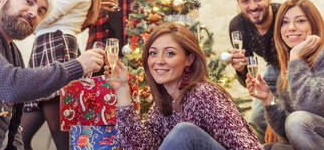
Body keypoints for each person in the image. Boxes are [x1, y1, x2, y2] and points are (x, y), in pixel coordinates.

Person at [0, 0, 104, 150]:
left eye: (41, 11)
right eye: (29, 1)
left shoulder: (14, 54)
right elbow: (10, 84)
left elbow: (13, 128)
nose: (33, 13)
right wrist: (78, 65)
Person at [105, 22, 262, 150]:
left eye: (170, 53)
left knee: (185, 132)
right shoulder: (164, 104)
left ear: (189, 59)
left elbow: (248, 146)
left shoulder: (204, 94)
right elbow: (138, 147)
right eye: (153, 53)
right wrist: (122, 89)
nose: (159, 61)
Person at [20, 0, 101, 150]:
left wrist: (32, 5)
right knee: (19, 137)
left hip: (57, 48)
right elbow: (39, 18)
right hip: (46, 48)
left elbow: (44, 16)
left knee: (61, 136)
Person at [246, 0, 324, 150]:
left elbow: (312, 107)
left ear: (314, 25)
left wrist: (295, 59)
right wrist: (268, 99)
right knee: (269, 148)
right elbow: (288, 131)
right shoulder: (291, 68)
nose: (290, 27)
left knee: (297, 120)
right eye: (284, 22)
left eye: (300, 21)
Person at [229, 0, 281, 142]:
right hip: (273, 69)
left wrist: (274, 116)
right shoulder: (237, 26)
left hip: (295, 68)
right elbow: (250, 81)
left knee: (284, 116)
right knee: (257, 120)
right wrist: (241, 69)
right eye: (245, 0)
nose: (252, 6)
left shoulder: (284, 15)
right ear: (238, 3)